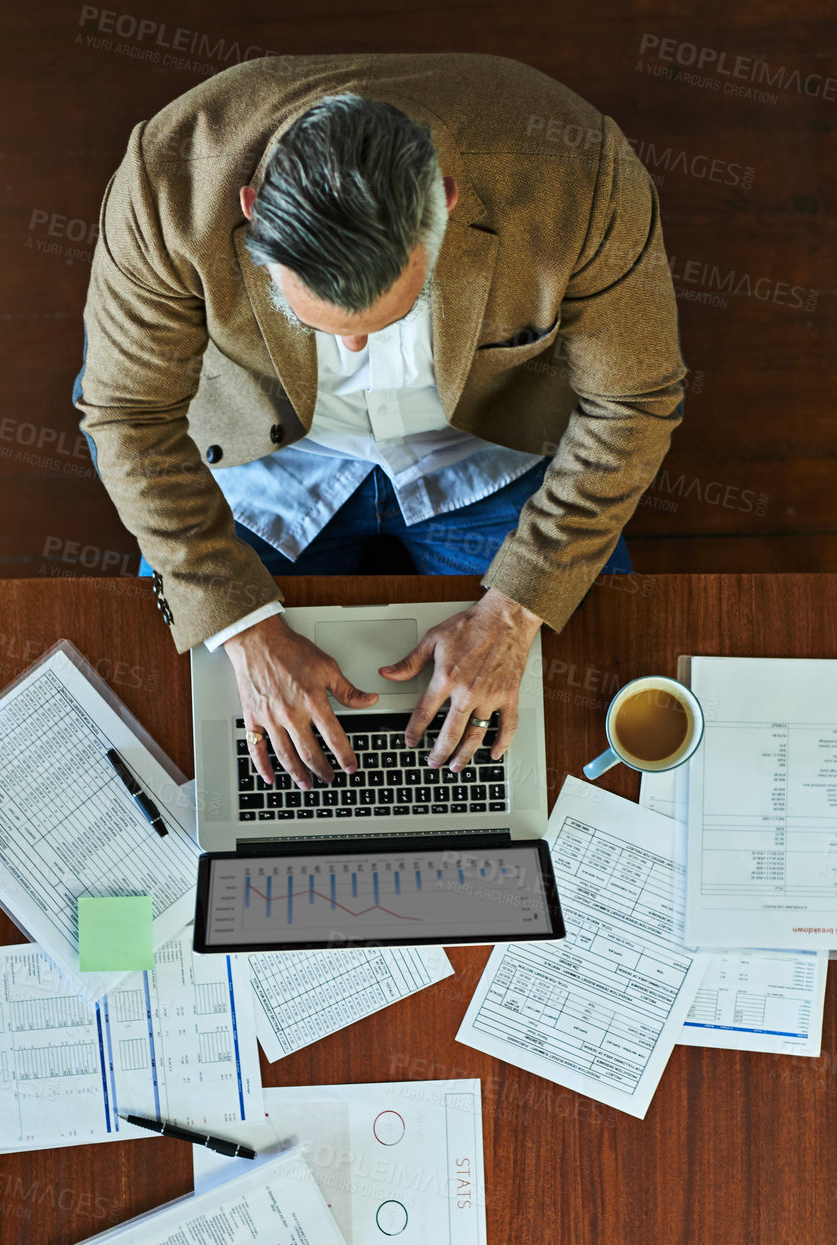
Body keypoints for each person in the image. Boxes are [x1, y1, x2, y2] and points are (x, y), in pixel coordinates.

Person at [75, 53, 686, 792]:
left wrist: (517, 610)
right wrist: (243, 630)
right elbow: (128, 413)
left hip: (486, 449)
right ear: (250, 208)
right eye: (325, 325)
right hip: (259, 460)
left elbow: (632, 403)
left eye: (384, 319)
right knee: (183, 735)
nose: (353, 349)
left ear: (448, 204)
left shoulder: (580, 173)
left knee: (572, 722)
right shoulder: (165, 183)